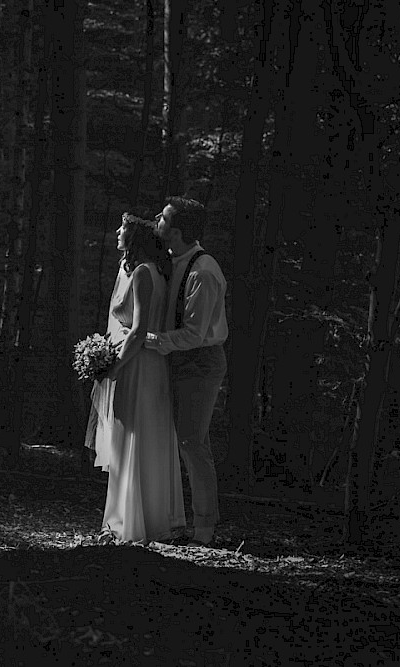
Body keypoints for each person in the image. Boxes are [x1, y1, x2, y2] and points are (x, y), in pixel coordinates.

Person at [84, 213, 186, 544]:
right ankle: (146, 520)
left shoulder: (143, 273)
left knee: (130, 438)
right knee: (142, 440)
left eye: (123, 227)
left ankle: (125, 523)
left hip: (138, 365)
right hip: (151, 366)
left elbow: (139, 330)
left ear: (135, 238)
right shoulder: (156, 272)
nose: (117, 231)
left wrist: (114, 365)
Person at [146, 197, 228, 548]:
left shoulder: (203, 271)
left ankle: (205, 530)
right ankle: (172, 520)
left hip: (200, 363)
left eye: (162, 219)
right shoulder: (171, 261)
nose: (156, 221)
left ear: (176, 231)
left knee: (193, 443)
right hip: (176, 359)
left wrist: (148, 341)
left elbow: (195, 334)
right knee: (177, 440)